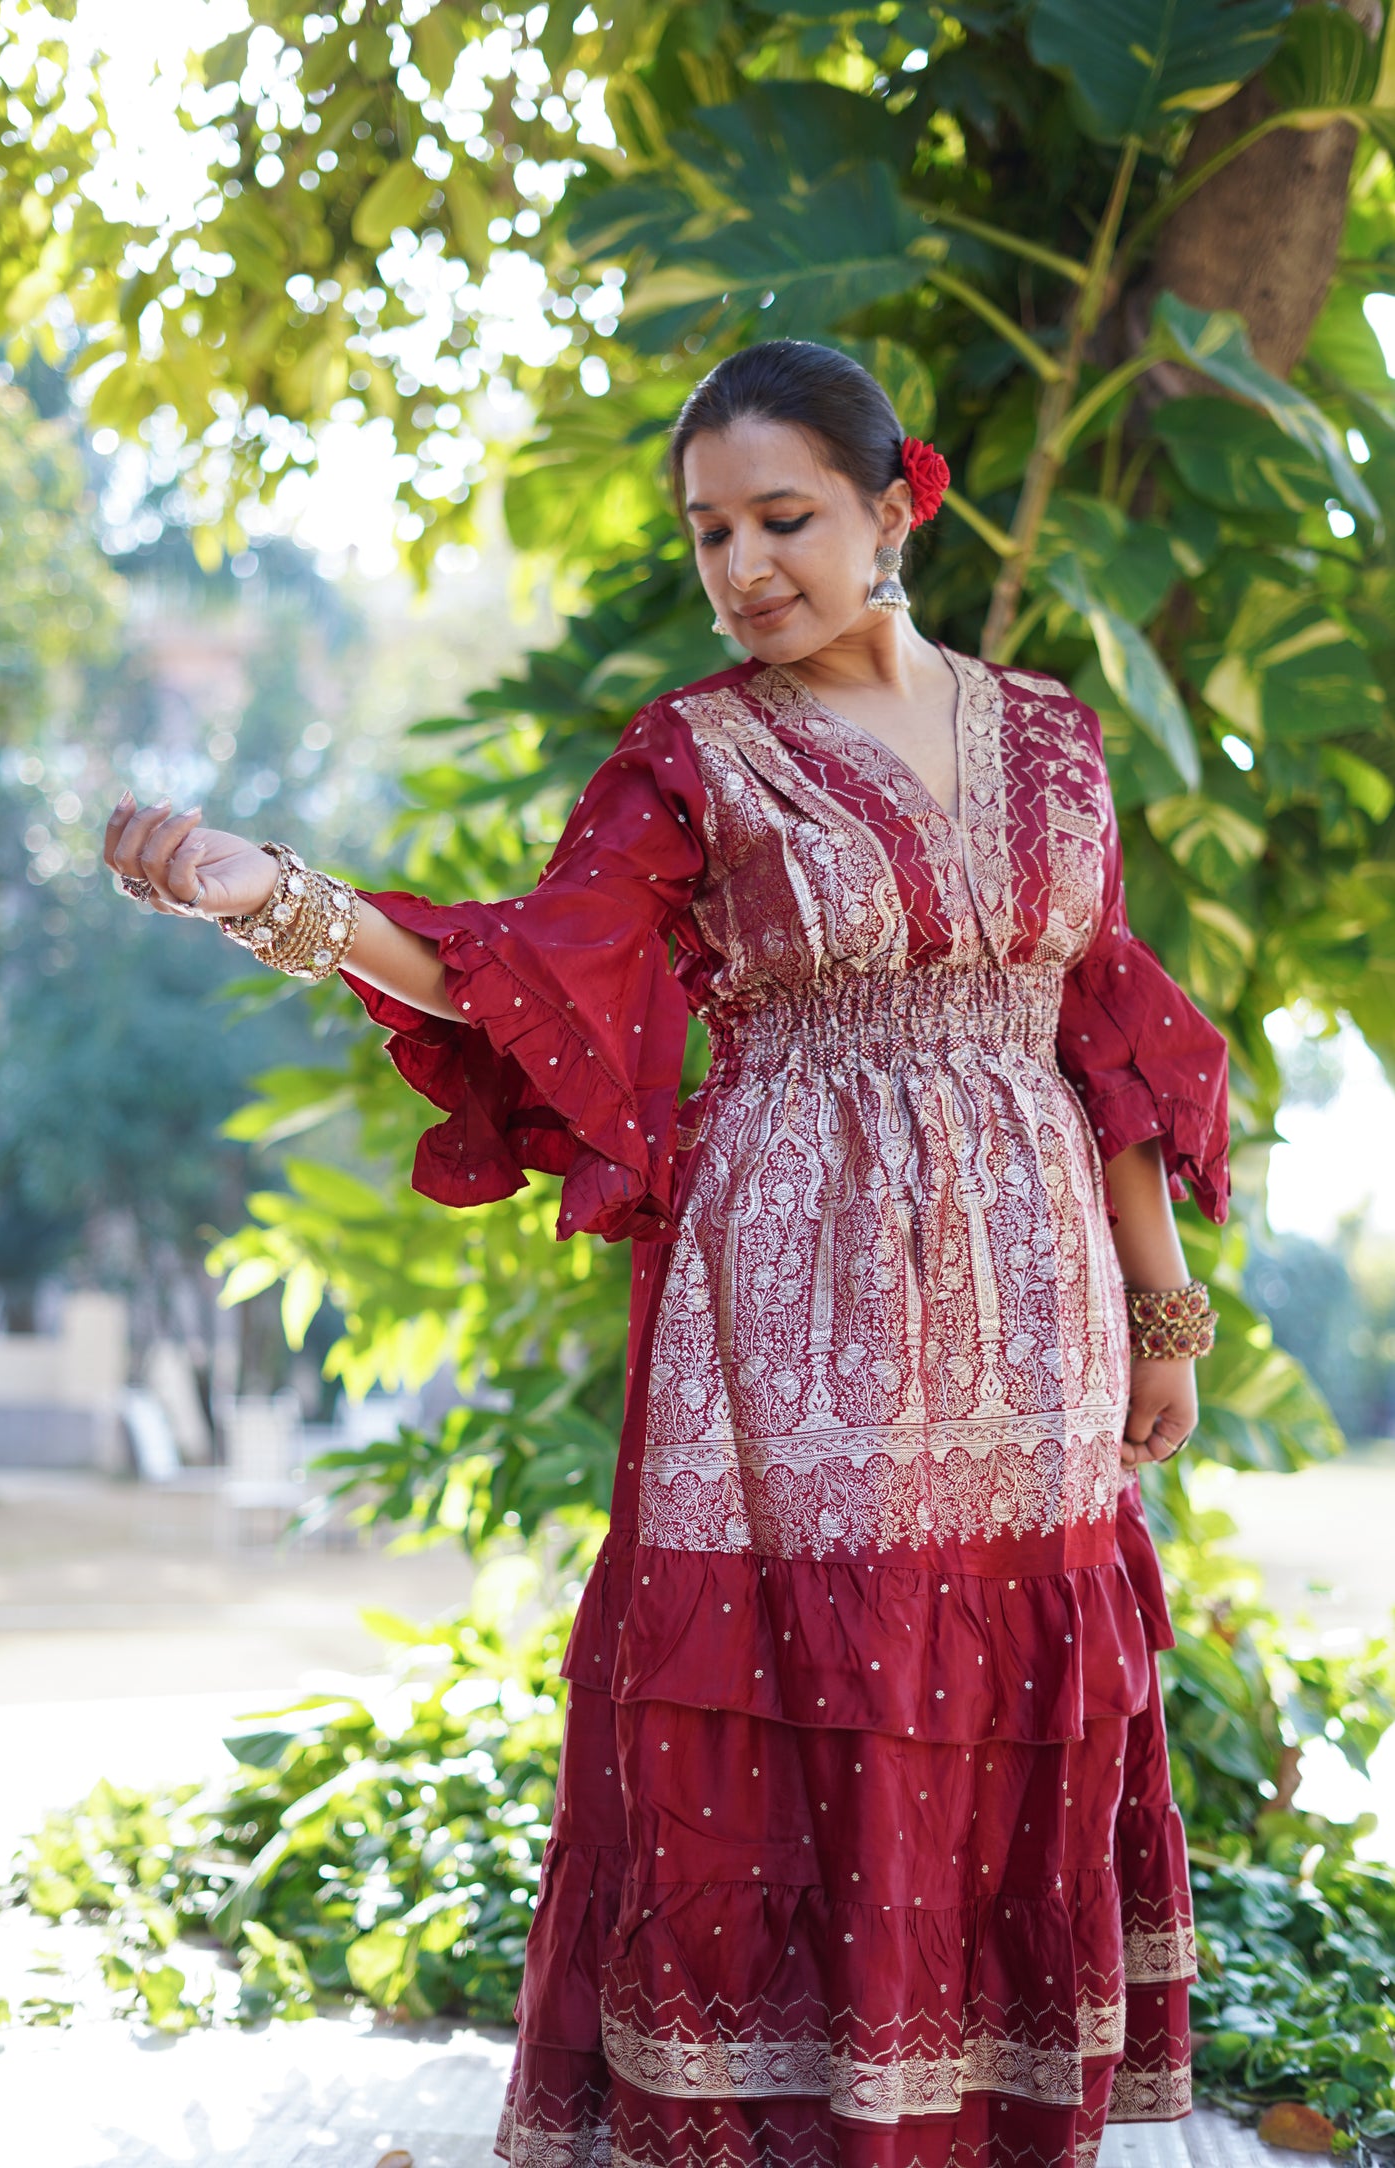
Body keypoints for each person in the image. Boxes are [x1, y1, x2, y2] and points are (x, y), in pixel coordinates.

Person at [104, 340, 1228, 2168]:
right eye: (709, 534)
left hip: (1034, 1325)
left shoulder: (1047, 736)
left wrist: (1161, 1311)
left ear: (890, 509)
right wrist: (286, 900)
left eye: (783, 519)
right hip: (787, 1309)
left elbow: (1098, 1023)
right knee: (802, 1696)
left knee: (1003, 1685)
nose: (744, 568)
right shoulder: (694, 756)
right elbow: (524, 964)